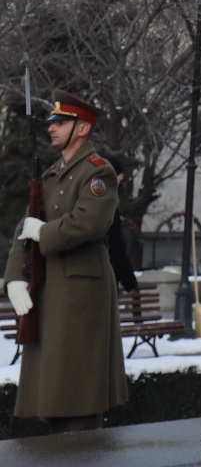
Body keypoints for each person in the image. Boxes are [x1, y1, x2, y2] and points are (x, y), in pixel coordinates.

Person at [2, 90, 127, 431]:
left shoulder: (97, 172)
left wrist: (43, 233)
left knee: (78, 389)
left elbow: (87, 223)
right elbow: (24, 229)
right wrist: (13, 277)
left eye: (61, 122)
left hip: (80, 291)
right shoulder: (52, 174)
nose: (52, 128)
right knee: (54, 390)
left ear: (82, 128)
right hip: (50, 288)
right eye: (52, 122)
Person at [98, 153, 138, 293]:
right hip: (104, 273)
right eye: (118, 173)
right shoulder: (107, 203)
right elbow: (115, 244)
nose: (122, 178)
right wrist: (129, 281)